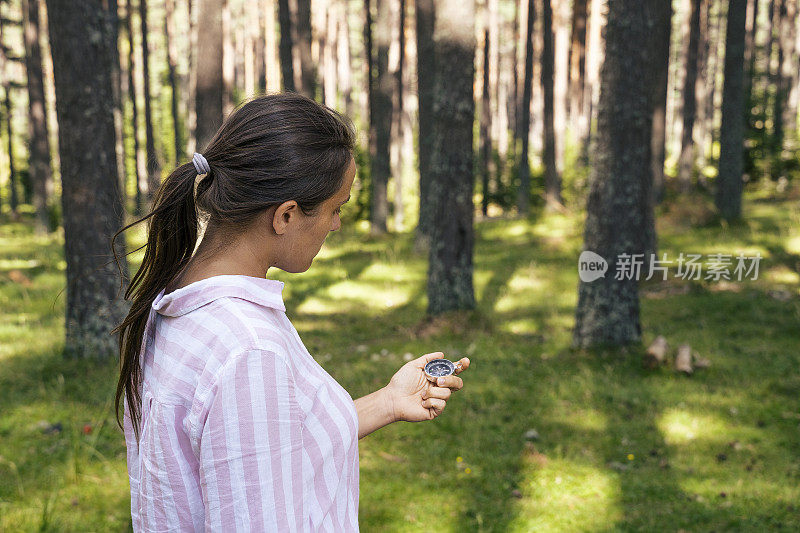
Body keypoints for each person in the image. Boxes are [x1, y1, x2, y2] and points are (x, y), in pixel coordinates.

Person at [111, 92, 470, 532]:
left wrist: (389, 402)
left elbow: (262, 450)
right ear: (285, 215)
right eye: (335, 208)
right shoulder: (248, 349)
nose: (336, 224)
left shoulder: (172, 304)